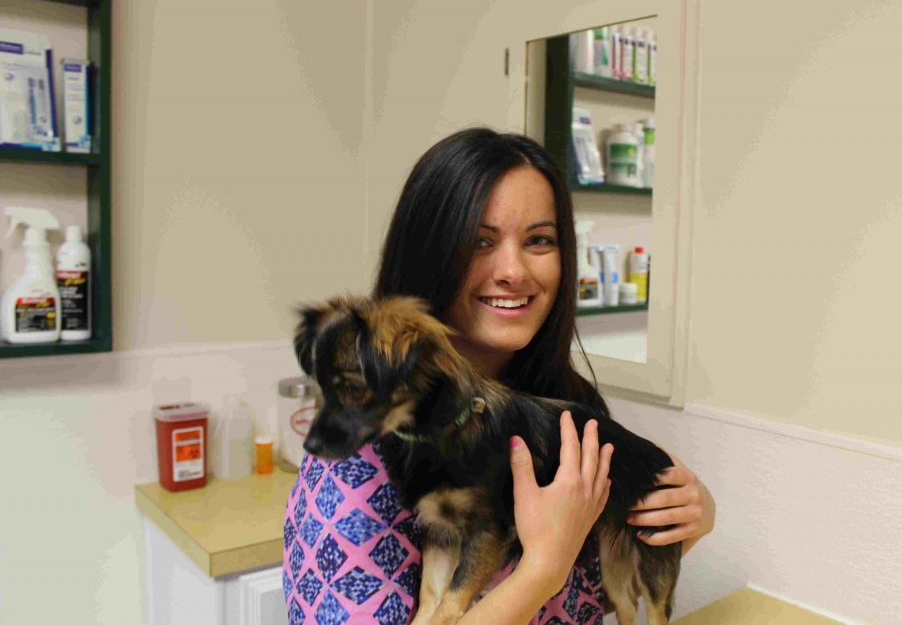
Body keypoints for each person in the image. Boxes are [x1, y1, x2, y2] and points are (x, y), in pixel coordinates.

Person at [282, 128, 716, 625]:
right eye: (479, 241)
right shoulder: (354, 469)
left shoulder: (561, 414)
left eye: (539, 240)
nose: (513, 270)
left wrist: (691, 519)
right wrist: (540, 571)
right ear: (430, 254)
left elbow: (591, 600)